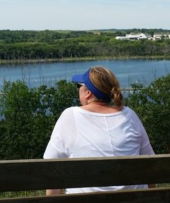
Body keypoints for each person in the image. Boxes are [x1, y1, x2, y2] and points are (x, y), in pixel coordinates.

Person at [43, 66, 155, 195]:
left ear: (88, 93)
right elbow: (149, 164)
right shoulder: (129, 115)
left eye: (78, 87)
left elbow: (52, 168)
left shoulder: (70, 115)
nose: (78, 90)